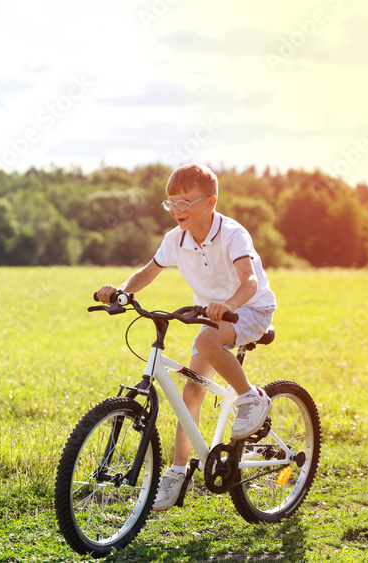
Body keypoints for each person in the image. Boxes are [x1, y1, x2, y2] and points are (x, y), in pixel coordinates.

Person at [95, 163, 277, 512]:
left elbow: (250, 280)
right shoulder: (174, 240)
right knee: (190, 392)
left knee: (209, 342)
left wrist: (228, 305)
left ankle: (253, 399)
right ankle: (178, 473)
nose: (177, 210)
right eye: (171, 203)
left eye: (185, 202)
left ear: (211, 202)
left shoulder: (232, 234)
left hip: (249, 308)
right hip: (212, 316)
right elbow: (148, 272)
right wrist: (121, 292)